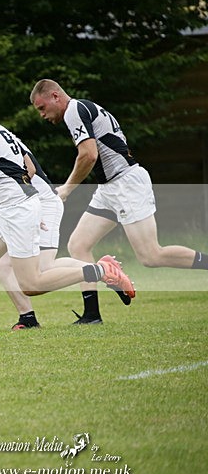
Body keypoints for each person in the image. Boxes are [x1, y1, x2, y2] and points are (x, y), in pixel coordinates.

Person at [0, 95, 135, 350]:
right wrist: (9, 199)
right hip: (12, 207)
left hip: (17, 208)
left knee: (31, 284)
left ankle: (101, 271)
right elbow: (30, 168)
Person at [29, 79, 208, 324]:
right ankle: (92, 315)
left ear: (55, 96)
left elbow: (88, 155)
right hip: (109, 188)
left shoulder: (74, 110)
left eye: (42, 108)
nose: (42, 115)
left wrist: (67, 189)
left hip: (126, 183)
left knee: (150, 256)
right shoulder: (80, 110)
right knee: (79, 244)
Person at [0, 147, 64, 330]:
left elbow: (29, 171)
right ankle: (28, 318)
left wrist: (31, 205)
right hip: (23, 203)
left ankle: (102, 269)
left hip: (42, 203)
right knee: (1, 264)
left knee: (43, 269)